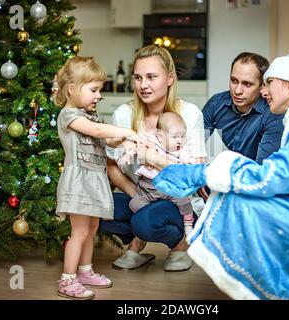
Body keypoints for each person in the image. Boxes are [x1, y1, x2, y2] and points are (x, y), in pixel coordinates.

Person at [153, 53, 289, 299]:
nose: (264, 91)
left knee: (240, 203)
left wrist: (204, 173)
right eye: (235, 81)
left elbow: (278, 173)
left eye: (267, 83)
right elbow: (196, 147)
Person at [99, 45, 207, 272]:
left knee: (146, 221)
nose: (143, 85)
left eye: (151, 77)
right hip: (142, 195)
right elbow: (111, 166)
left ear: (169, 78)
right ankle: (136, 241)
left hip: (178, 202)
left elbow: (194, 176)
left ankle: (180, 244)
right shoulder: (124, 114)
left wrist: (153, 157)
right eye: (138, 77)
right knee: (97, 208)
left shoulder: (189, 114)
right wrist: (136, 196)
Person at [54, 56, 140, 300]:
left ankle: (85, 271)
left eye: (99, 90)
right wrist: (125, 130)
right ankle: (67, 279)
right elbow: (99, 131)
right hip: (79, 182)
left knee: (91, 230)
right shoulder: (69, 116)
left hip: (94, 180)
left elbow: (106, 138)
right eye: (93, 90)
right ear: (72, 89)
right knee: (79, 233)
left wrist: (123, 139)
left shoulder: (90, 117)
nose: (98, 95)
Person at [203, 52, 284, 163]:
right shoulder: (216, 104)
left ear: (262, 86)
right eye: (234, 81)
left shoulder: (273, 113)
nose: (237, 91)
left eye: (247, 84)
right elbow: (193, 146)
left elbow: (263, 169)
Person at [123, 112, 196, 236]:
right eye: (175, 137)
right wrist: (130, 153)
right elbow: (139, 148)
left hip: (170, 191)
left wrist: (188, 164)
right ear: (161, 136)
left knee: (184, 201)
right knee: (133, 204)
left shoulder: (182, 151)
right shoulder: (152, 143)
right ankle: (150, 214)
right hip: (148, 191)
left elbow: (189, 165)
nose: (179, 141)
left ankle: (188, 223)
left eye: (182, 136)